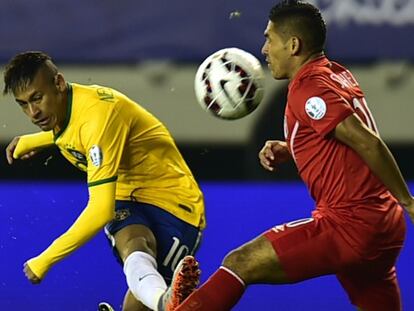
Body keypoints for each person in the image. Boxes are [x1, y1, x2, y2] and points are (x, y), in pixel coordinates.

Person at [173, 1, 414, 310]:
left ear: (293, 45)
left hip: (350, 223)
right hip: (383, 223)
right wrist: (292, 147)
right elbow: (342, 140)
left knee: (240, 262)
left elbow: (367, 142)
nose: (264, 49)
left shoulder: (309, 88)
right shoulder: (335, 73)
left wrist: (408, 200)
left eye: (269, 38)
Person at [3, 51, 203, 311]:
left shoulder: (98, 115)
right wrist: (34, 140)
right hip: (127, 195)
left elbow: (100, 210)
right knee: (134, 244)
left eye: (37, 98)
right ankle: (165, 302)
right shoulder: (68, 109)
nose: (33, 113)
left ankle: (163, 302)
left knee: (142, 299)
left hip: (175, 203)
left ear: (59, 83)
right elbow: (73, 132)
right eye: (23, 104)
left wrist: (45, 260)